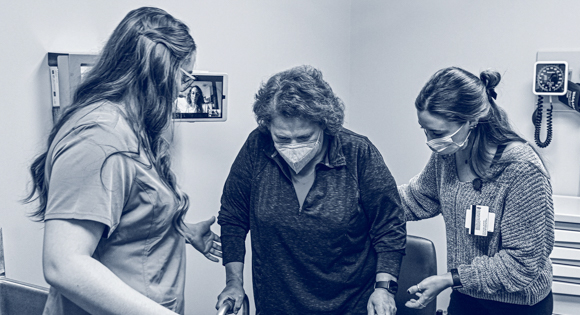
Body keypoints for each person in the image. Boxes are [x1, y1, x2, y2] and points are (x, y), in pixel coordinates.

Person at [24, 7, 221, 315]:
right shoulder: (98, 136)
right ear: (157, 71)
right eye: (184, 77)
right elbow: (64, 263)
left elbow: (128, 215)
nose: (183, 89)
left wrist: (177, 228)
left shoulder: (132, 128)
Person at [216, 65, 407, 315]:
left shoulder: (358, 153)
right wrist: (233, 283)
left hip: (349, 305)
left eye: (305, 137)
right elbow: (233, 218)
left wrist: (384, 288)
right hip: (276, 305)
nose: (293, 146)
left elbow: (389, 225)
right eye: (282, 138)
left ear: (325, 124)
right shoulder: (257, 147)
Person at [400, 67, 554, 314]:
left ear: (472, 120)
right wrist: (365, 200)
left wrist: (451, 278)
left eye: (437, 132)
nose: (429, 139)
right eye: (424, 130)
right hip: (466, 295)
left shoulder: (520, 168)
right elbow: (418, 198)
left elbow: (521, 264)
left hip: (517, 305)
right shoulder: (448, 155)